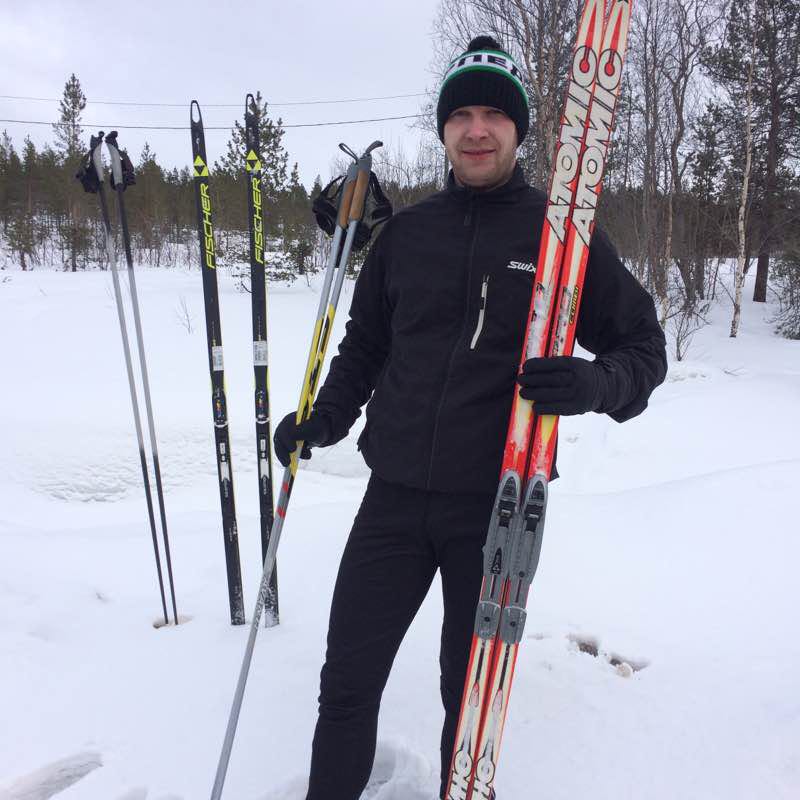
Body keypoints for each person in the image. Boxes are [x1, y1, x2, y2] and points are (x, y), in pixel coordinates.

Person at [274, 35, 667, 800]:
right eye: (462, 114)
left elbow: (643, 349)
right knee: (347, 680)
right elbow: (365, 348)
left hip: (497, 507)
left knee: (472, 695)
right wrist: (323, 420)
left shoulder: (562, 237)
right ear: (445, 130)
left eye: (494, 113)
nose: (477, 129)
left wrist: (596, 385)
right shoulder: (407, 236)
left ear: (518, 131)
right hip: (392, 499)